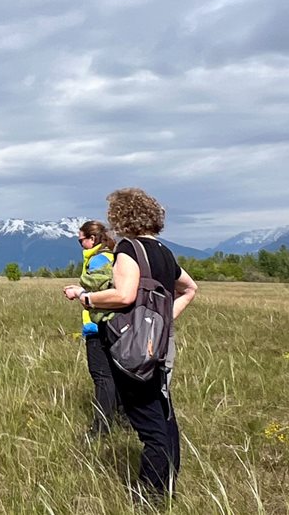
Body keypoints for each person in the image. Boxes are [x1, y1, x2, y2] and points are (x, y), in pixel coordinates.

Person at [64, 188, 197, 501]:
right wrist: (164, 320)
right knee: (163, 413)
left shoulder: (129, 248)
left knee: (149, 423)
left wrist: (86, 297)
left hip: (134, 346)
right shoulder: (163, 251)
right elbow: (190, 289)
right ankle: (167, 487)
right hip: (160, 343)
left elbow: (124, 294)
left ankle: (150, 496)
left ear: (120, 217)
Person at [61, 220, 120, 440]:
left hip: (98, 326)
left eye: (81, 241)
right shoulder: (112, 256)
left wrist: (78, 292)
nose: (80, 245)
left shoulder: (98, 260)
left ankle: (101, 429)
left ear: (92, 239)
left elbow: (96, 293)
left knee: (102, 376)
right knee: (116, 375)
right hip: (115, 326)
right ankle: (121, 419)